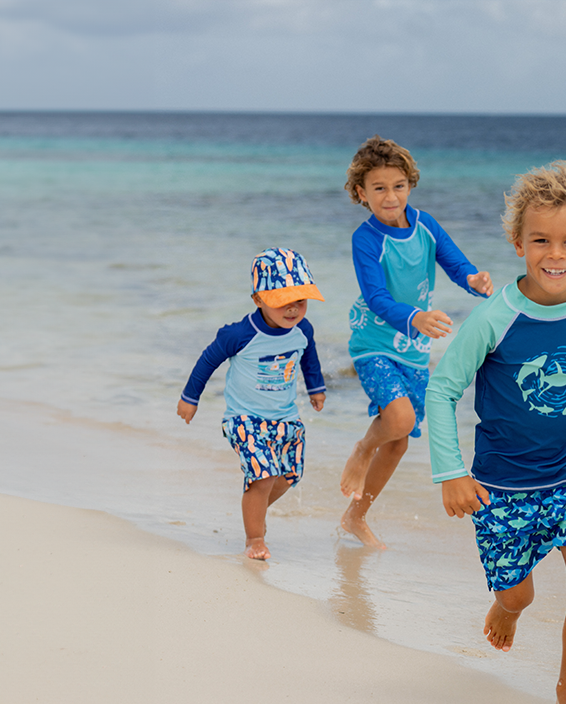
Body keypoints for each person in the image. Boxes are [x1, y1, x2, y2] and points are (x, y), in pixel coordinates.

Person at [426, 160, 566, 704]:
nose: (556, 254)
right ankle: (506, 606)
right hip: (503, 488)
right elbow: (443, 390)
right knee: (519, 596)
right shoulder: (494, 319)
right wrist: (451, 472)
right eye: (541, 240)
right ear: (517, 242)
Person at [339, 135, 494, 549]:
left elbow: (455, 262)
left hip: (413, 347)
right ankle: (361, 448)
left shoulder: (426, 225)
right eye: (379, 188)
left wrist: (474, 280)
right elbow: (376, 298)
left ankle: (355, 516)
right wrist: (417, 318)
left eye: (398, 186)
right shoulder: (366, 239)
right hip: (374, 341)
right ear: (361, 193)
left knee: (400, 440)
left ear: (410, 185)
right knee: (400, 420)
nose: (390, 197)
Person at [177, 247, 327, 561]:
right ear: (258, 299)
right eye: (282, 302)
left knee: (287, 477)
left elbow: (308, 357)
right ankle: (254, 537)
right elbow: (207, 361)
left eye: (300, 301)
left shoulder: (303, 329)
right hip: (244, 418)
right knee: (262, 476)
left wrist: (316, 388)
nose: (292, 310)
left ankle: (253, 507)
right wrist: (190, 398)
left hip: (286, 419)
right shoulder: (239, 334)